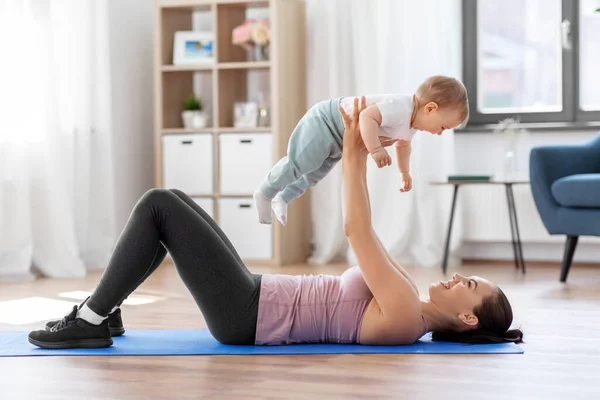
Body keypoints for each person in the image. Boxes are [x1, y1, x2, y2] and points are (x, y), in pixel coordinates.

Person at [29, 97, 522, 349]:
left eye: (469, 284)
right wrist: (365, 147)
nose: (458, 276)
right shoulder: (410, 300)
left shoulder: (404, 318)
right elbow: (367, 232)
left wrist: (353, 152)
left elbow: (356, 233)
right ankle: (108, 310)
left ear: (468, 319)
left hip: (248, 316)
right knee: (172, 201)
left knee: (159, 203)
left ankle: (90, 320)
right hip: (257, 294)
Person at [253, 75, 469, 226]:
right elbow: (367, 116)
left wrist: (404, 173)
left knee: (315, 174)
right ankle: (265, 192)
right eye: (443, 127)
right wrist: (375, 149)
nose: (440, 133)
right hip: (326, 121)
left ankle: (283, 197)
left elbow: (403, 145)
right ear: (430, 109)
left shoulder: (411, 126)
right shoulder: (401, 107)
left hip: (340, 140)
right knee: (299, 163)